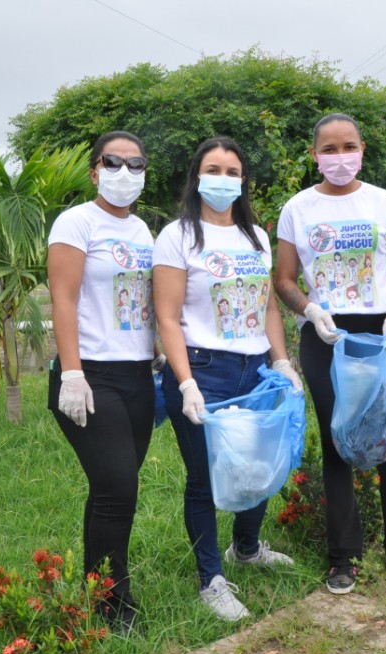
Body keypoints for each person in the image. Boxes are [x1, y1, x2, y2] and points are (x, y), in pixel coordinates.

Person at [274, 113, 386, 595]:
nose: (339, 157)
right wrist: (309, 308)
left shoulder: (384, 202)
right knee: (338, 440)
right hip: (326, 335)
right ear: (314, 155)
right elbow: (283, 279)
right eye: (329, 149)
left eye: (348, 147)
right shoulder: (296, 209)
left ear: (362, 148)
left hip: (378, 334)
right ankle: (343, 557)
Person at [153, 137, 302, 621]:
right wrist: (185, 381)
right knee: (203, 480)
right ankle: (210, 579)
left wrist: (282, 362)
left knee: (256, 468)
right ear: (197, 175)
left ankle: (248, 547)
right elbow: (168, 317)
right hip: (203, 370)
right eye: (213, 168)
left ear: (243, 181)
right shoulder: (177, 236)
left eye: (232, 171)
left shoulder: (256, 237)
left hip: (254, 369)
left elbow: (267, 307)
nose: (223, 178)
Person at [47, 130, 160, 632]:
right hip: (90, 375)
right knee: (118, 487)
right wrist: (72, 372)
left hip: (137, 375)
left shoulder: (144, 232)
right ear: (94, 170)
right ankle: (112, 607)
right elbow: (64, 299)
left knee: (112, 489)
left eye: (136, 165)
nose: (124, 173)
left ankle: (98, 588)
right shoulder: (76, 222)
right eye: (113, 162)